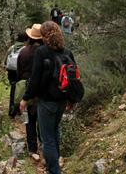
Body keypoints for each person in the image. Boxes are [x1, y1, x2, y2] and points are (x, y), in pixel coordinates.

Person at [20, 21, 77, 174]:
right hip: (62, 100)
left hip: (46, 101)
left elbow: (35, 79)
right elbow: (74, 78)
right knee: (55, 131)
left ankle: (54, 170)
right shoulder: (67, 53)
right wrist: (72, 99)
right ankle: (55, 164)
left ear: (44, 36)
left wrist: (25, 99)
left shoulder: (42, 52)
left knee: (48, 138)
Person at [17, 23, 43, 160]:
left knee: (30, 120)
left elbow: (19, 72)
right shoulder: (46, 52)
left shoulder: (23, 52)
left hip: (28, 88)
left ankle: (32, 148)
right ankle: (44, 144)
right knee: (42, 118)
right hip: (42, 90)